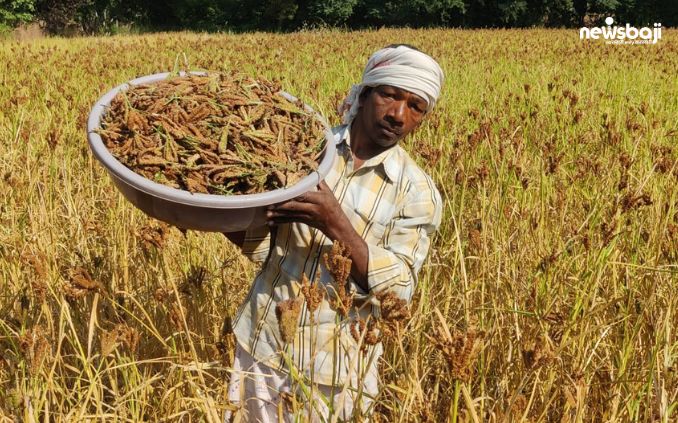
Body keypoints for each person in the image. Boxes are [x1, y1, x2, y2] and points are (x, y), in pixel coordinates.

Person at [223, 44, 444, 422]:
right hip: (261, 346)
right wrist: (218, 214)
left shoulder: (417, 192)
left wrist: (334, 222)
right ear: (365, 93)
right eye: (389, 95)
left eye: (416, 106)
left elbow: (399, 292)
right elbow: (264, 250)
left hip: (337, 373)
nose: (398, 114)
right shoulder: (303, 149)